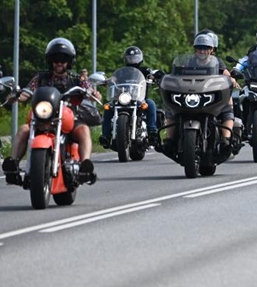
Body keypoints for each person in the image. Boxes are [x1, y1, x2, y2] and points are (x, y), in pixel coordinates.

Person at [3, 38, 97, 184]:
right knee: (23, 130)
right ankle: (12, 166)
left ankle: (85, 165)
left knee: (84, 130)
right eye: (55, 58)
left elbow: (91, 92)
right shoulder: (40, 77)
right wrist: (15, 97)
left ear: (69, 61)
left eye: (63, 59)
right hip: (43, 115)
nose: (59, 62)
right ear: (50, 60)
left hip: (69, 116)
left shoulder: (77, 79)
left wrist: (92, 92)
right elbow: (27, 92)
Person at [162, 34, 238, 155]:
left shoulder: (217, 62)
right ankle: (169, 140)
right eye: (199, 48)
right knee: (171, 111)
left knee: (226, 109)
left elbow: (226, 74)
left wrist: (232, 80)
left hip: (209, 97)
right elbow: (178, 73)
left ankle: (226, 140)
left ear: (211, 49)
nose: (202, 51)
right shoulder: (188, 62)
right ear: (195, 49)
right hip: (192, 95)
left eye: (206, 48)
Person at [99, 46, 159, 148]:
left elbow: (152, 74)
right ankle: (106, 136)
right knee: (108, 108)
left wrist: (155, 76)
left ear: (140, 58)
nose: (133, 60)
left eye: (135, 58)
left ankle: (152, 131)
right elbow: (113, 79)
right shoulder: (122, 72)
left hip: (140, 99)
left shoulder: (145, 70)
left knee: (151, 104)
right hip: (122, 99)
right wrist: (106, 81)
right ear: (126, 59)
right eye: (131, 58)